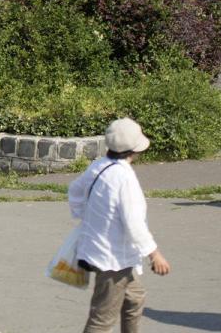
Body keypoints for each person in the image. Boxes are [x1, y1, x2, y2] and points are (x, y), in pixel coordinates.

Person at [69, 118, 171, 333]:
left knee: (134, 299)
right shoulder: (124, 177)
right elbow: (134, 223)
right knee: (101, 320)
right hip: (112, 259)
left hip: (105, 251)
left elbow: (75, 190)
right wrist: (155, 254)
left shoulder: (99, 165)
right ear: (134, 150)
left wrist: (87, 218)